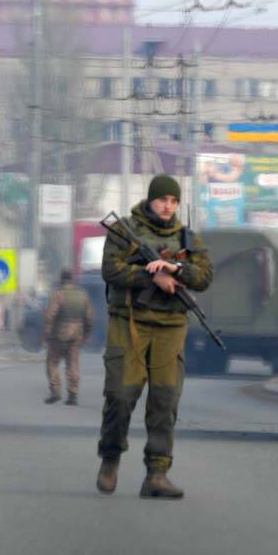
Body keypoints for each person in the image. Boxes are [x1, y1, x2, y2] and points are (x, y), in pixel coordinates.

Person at [96, 174, 213, 499]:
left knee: (165, 400)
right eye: (163, 199)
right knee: (120, 395)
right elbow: (110, 269)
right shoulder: (125, 230)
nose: (167, 206)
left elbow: (204, 276)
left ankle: (157, 474)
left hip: (171, 327)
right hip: (129, 323)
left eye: (173, 201)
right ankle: (110, 457)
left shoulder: (187, 237)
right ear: (151, 199)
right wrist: (152, 278)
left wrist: (175, 270)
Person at [43, 268, 94, 405]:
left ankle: (55, 391)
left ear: (61, 279)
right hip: (77, 333)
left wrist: (46, 333)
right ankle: (73, 393)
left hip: (59, 333)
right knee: (73, 363)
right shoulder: (83, 295)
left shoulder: (58, 294)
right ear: (72, 279)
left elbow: (50, 316)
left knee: (52, 362)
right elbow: (89, 317)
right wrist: (87, 334)